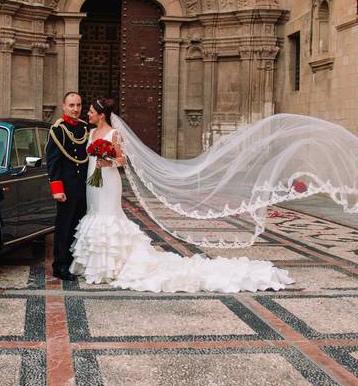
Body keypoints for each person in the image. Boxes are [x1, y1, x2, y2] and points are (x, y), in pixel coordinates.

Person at [69, 99, 293, 292]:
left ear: (101, 115)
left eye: (89, 111)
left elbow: (122, 160)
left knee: (109, 216)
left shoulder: (113, 133)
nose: (86, 113)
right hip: (93, 180)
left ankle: (111, 265)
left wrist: (108, 160)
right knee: (95, 212)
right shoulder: (91, 133)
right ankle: (93, 264)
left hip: (108, 181)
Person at [45, 92, 89, 281]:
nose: (75, 109)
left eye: (78, 105)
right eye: (71, 105)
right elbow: (53, 162)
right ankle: (60, 265)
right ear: (63, 106)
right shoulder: (58, 129)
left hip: (83, 186)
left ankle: (73, 262)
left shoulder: (85, 128)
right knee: (64, 226)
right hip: (67, 187)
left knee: (79, 225)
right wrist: (57, 189)